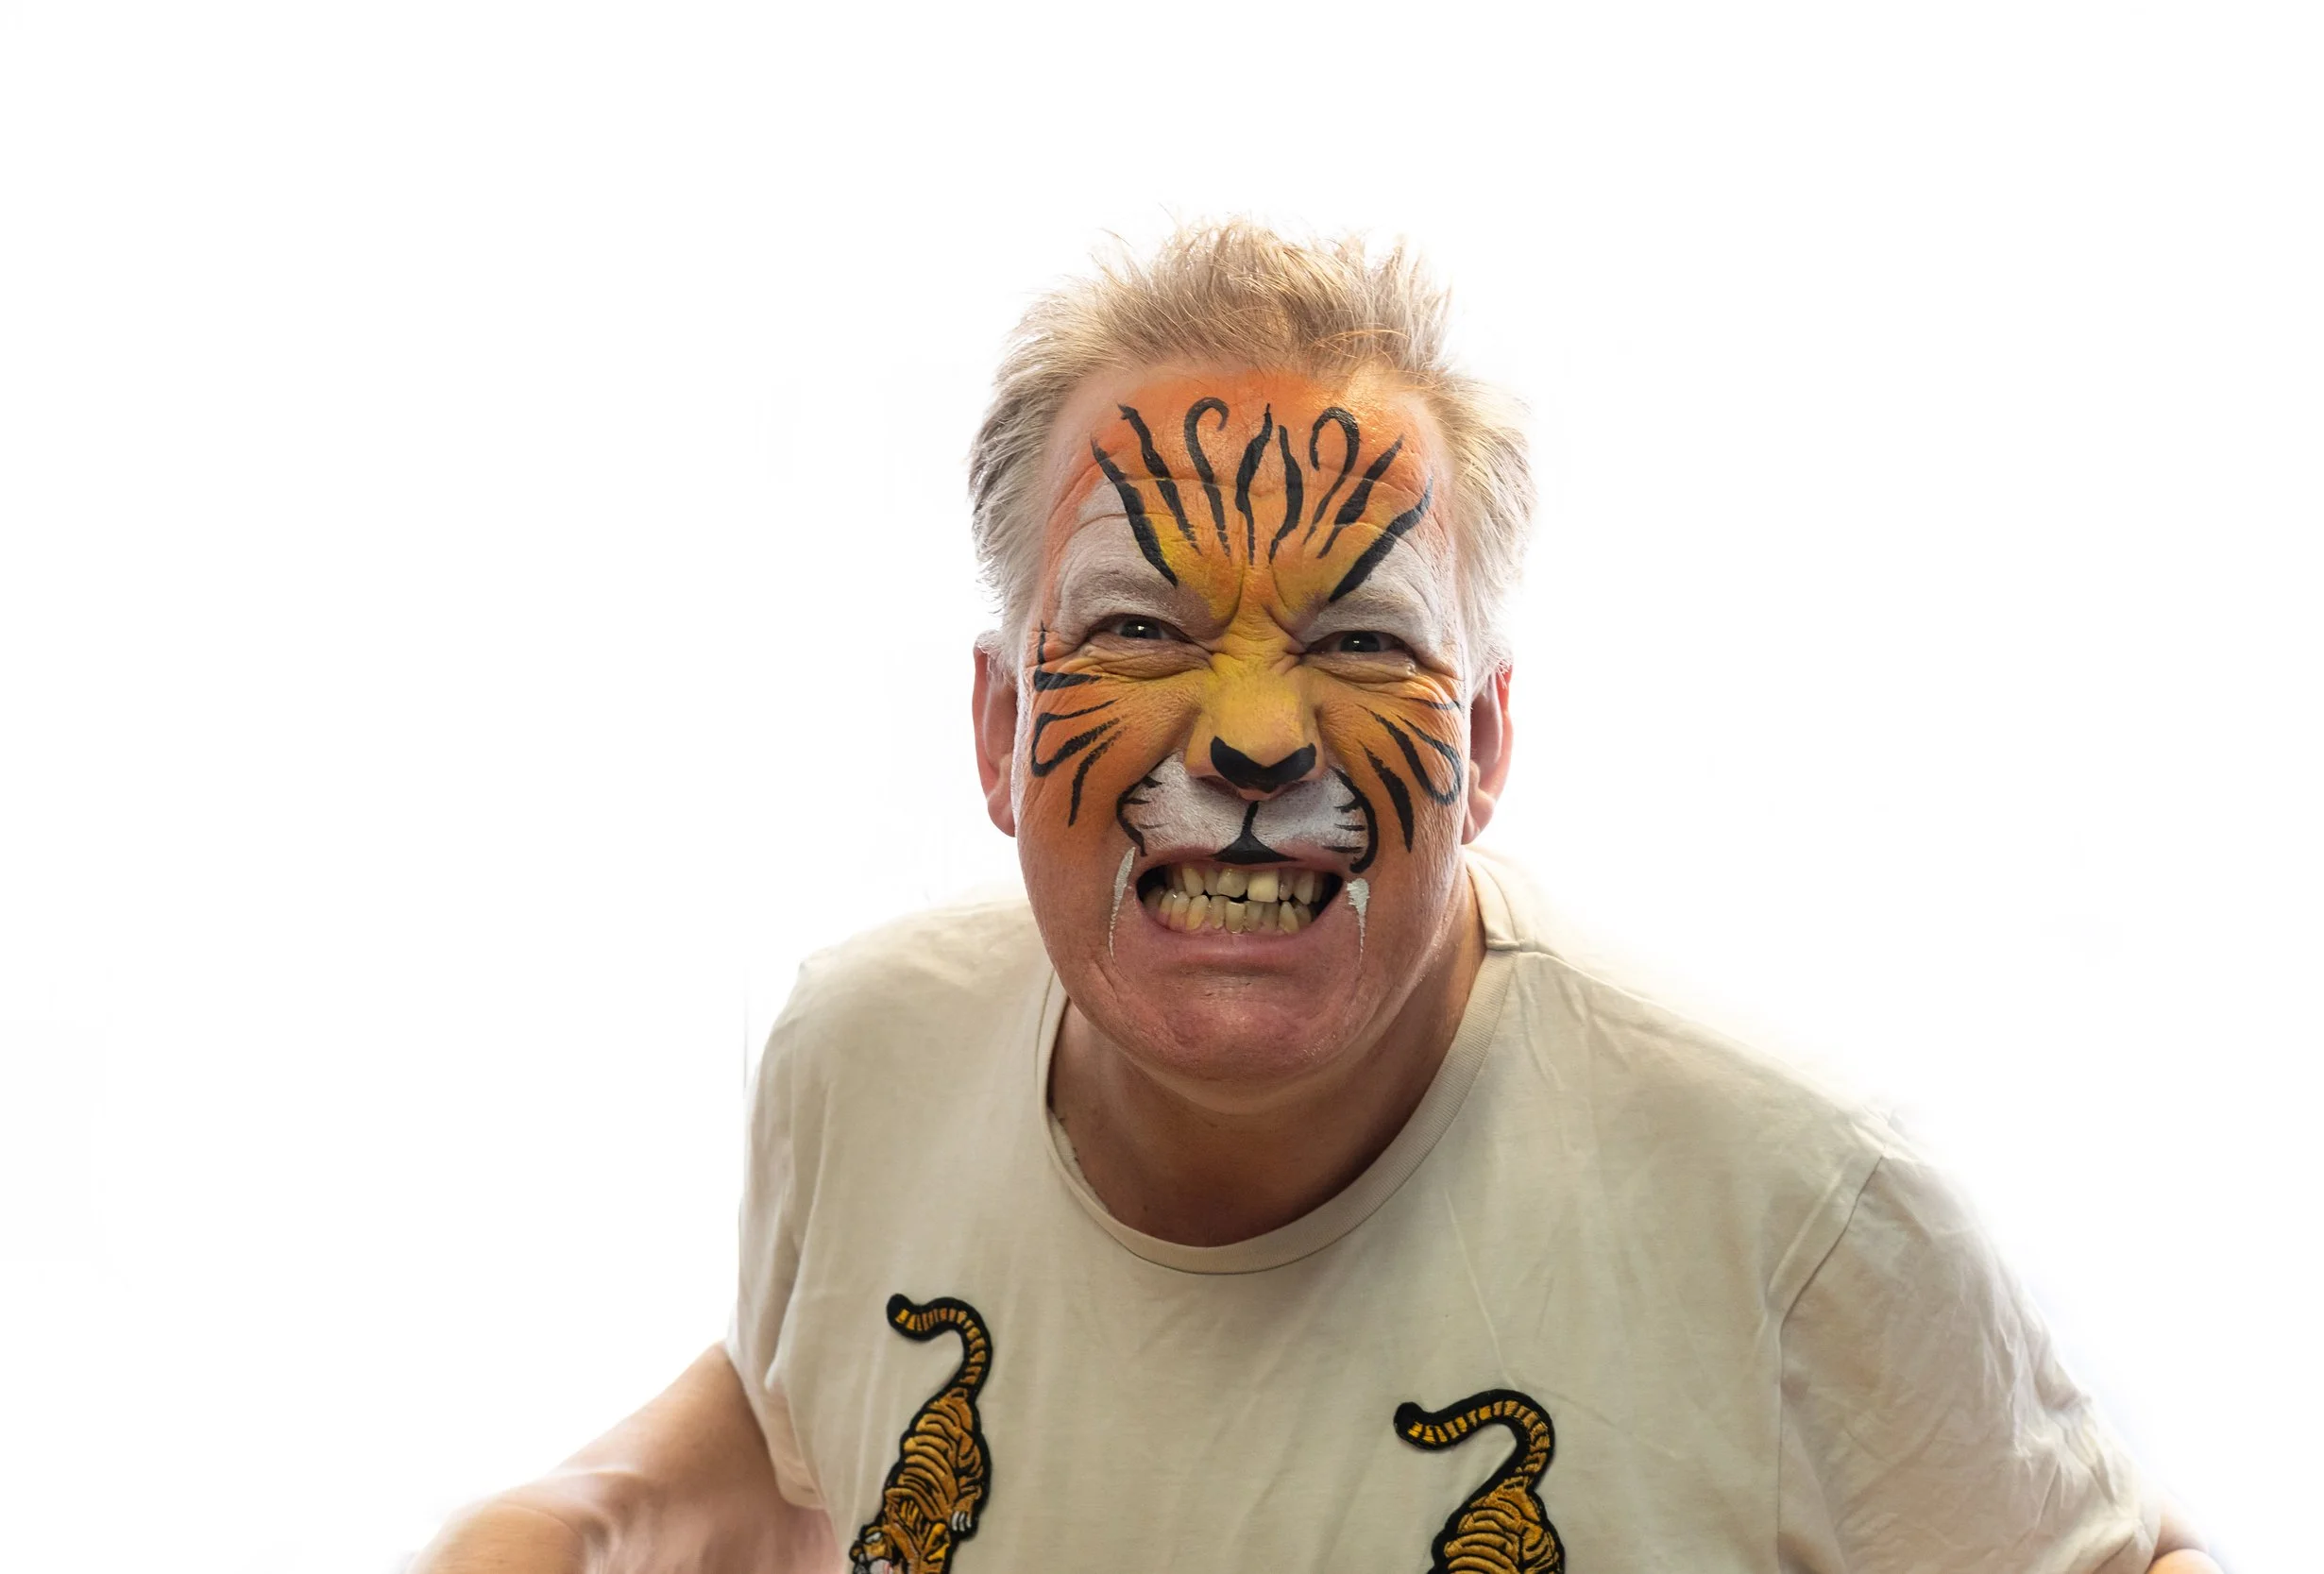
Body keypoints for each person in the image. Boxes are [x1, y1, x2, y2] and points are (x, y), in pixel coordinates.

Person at [416, 223, 2223, 1574]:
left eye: (1363, 644)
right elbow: (806, 1400)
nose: (1262, 734)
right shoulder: (859, 1057)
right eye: (1138, 629)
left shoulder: (1796, 1207)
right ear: (995, 724)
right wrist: (571, 1518)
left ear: (1489, 742)